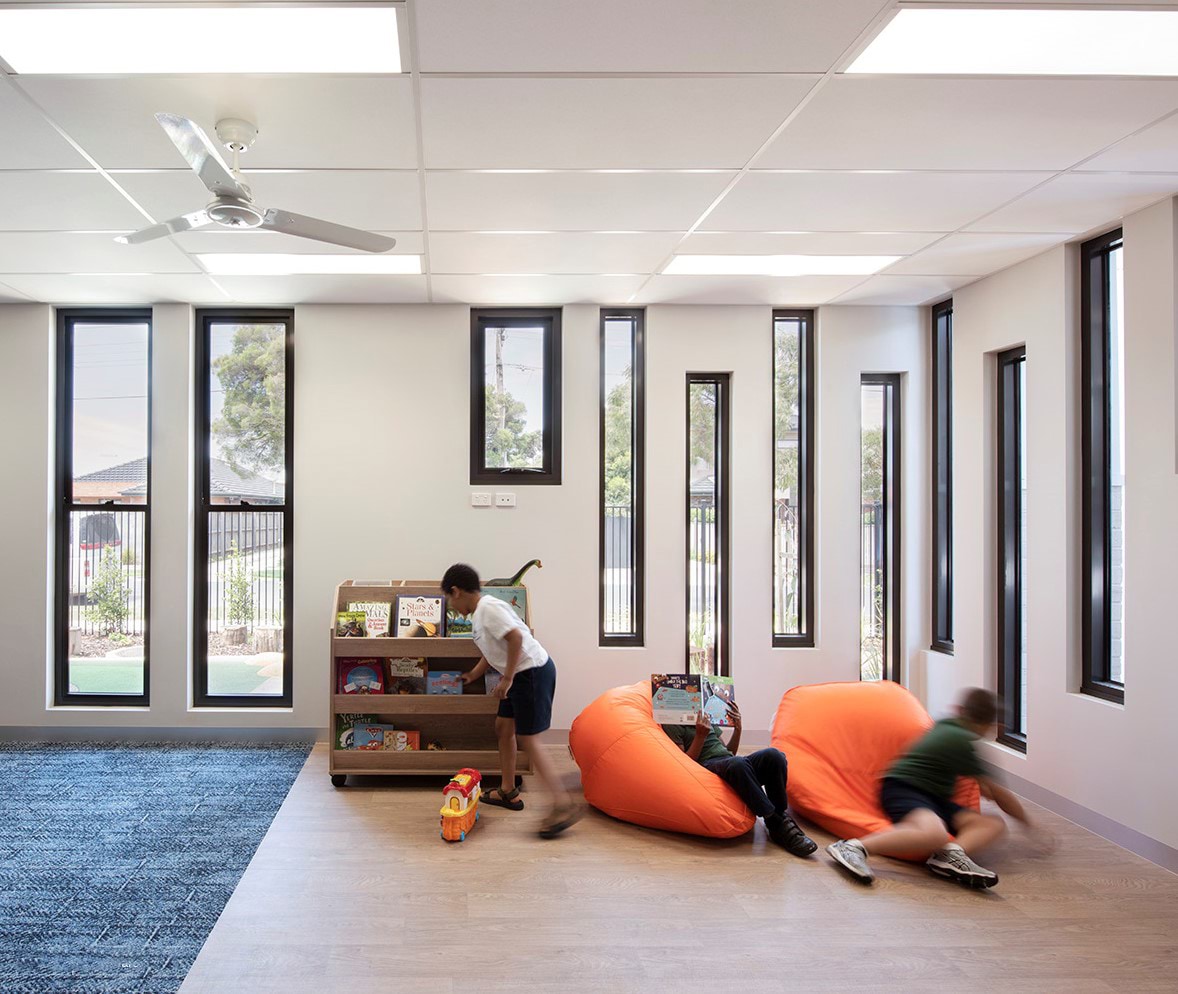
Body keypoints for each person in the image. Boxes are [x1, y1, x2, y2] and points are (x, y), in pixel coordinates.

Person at [826, 687, 1048, 888]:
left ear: (960, 710)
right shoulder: (959, 739)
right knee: (934, 833)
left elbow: (986, 790)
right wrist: (1030, 826)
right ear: (992, 726)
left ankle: (950, 855)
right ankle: (853, 847)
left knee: (992, 824)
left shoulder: (946, 725)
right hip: (905, 788)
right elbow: (998, 794)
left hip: (936, 798)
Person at [441, 562, 582, 838]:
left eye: (448, 599)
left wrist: (506, 679)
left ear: (456, 591)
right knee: (503, 728)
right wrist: (473, 674)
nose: (451, 606)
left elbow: (516, 638)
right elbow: (492, 648)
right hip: (518, 674)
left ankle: (562, 804)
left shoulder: (488, 609)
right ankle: (507, 791)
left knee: (529, 740)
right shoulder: (481, 614)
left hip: (530, 673)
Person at [662, 706, 817, 857]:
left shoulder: (703, 716)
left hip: (729, 763)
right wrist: (700, 736)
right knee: (737, 764)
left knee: (774, 755)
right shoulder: (672, 722)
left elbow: (729, 752)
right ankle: (774, 821)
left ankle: (779, 814)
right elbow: (683, 763)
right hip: (706, 767)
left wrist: (738, 730)